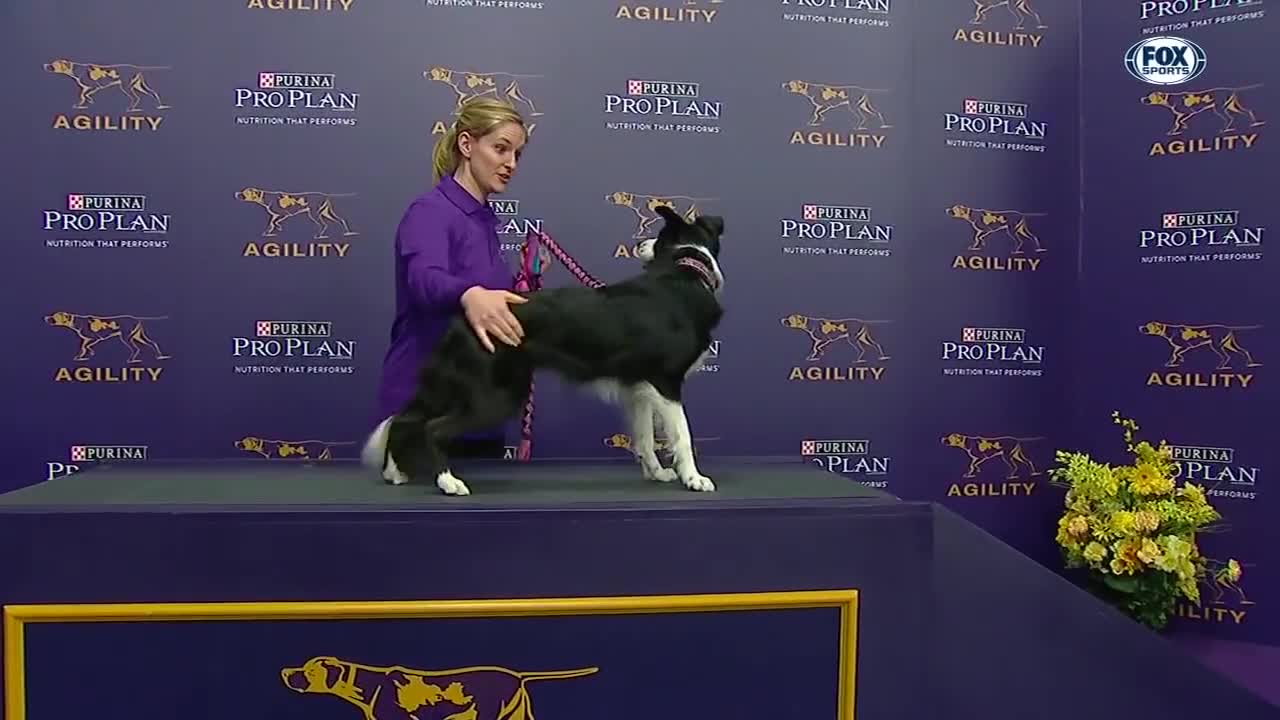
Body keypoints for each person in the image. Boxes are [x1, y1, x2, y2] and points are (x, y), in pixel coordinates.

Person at [374, 97, 531, 459]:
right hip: (424, 416)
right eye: (501, 149)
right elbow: (423, 279)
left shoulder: (484, 220)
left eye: (517, 155)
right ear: (466, 145)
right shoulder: (429, 211)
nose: (510, 164)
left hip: (477, 417)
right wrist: (470, 294)